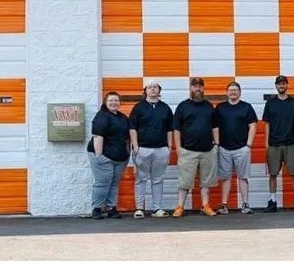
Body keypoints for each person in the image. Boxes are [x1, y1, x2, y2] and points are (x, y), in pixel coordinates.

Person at [172, 77, 219, 217]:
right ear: (190, 88)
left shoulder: (209, 106)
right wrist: (178, 148)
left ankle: (205, 206)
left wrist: (216, 144)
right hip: (187, 151)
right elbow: (176, 129)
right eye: (194, 86)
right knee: (184, 182)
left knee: (206, 182)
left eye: (200, 86)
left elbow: (215, 127)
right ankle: (180, 207)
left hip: (208, 151)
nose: (197, 89)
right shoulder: (182, 106)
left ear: (203, 88)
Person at [128, 80, 173, 218]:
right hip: (143, 149)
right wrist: (136, 147)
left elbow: (170, 129)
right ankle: (139, 209)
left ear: (159, 91)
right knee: (141, 179)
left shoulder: (165, 108)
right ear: (145, 91)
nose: (152, 89)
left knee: (158, 180)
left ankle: (157, 209)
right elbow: (132, 128)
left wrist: (169, 147)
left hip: (161, 149)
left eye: (155, 87)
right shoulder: (138, 108)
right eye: (150, 87)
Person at [262, 75, 294, 213]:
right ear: (276, 86)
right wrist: (266, 143)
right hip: (274, 144)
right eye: (279, 84)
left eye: (283, 84)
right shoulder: (270, 103)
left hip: (290, 143)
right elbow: (267, 124)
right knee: (273, 174)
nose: (281, 86)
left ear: (287, 85)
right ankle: (272, 201)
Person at [214, 81, 258, 214]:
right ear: (227, 92)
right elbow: (214, 127)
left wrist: (249, 144)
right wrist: (217, 144)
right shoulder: (220, 108)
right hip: (224, 149)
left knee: (243, 177)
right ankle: (224, 205)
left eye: (235, 90)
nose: (233, 92)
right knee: (225, 178)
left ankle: (245, 204)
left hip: (242, 148)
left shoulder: (247, 107)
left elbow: (253, 126)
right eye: (230, 90)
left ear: (240, 92)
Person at [88, 91, 131, 220]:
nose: (114, 103)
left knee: (114, 183)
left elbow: (127, 137)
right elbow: (97, 136)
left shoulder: (123, 117)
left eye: (116, 100)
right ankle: (97, 209)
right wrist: (99, 156)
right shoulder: (102, 116)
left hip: (120, 158)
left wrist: (128, 153)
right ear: (105, 103)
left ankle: (112, 208)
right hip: (103, 156)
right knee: (102, 183)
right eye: (111, 100)